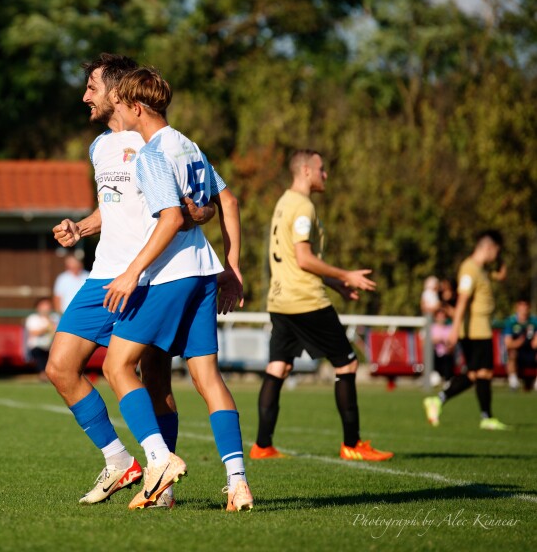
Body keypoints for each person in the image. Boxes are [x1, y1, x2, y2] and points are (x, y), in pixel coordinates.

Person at [46, 53, 216, 510]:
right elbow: (115, 204)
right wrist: (80, 228)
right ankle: (121, 460)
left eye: (93, 87)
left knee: (155, 379)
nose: (85, 95)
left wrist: (200, 213)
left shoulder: (154, 141)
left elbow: (197, 204)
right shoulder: (99, 146)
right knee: (60, 366)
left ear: (118, 92)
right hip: (105, 274)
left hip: (151, 275)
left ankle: (164, 488)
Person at [97, 65, 252, 510]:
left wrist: (131, 273)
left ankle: (159, 464)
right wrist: (232, 266)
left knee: (116, 367)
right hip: (204, 270)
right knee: (204, 379)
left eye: (121, 105)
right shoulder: (189, 144)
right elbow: (229, 200)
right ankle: (236, 483)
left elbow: (171, 219)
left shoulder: (150, 154)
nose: (117, 112)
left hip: (169, 276)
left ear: (137, 108)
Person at [252, 149, 393, 461]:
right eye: (322, 169)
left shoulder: (283, 202)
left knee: (279, 366)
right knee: (347, 364)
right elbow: (303, 258)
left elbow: (293, 260)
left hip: (280, 299)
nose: (325, 175)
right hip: (305, 301)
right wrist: (346, 275)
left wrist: (337, 284)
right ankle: (352, 444)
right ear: (305, 170)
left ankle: (262, 445)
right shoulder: (303, 207)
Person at [424, 230, 509, 430]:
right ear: (489, 248)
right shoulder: (470, 269)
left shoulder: (481, 270)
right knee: (483, 373)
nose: (496, 255)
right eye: (496, 251)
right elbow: (462, 299)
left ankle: (441, 401)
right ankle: (484, 416)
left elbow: (502, 275)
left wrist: (501, 260)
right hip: (475, 330)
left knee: (474, 374)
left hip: (480, 328)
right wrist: (454, 329)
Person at [503, 298, 537, 392]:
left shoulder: (534, 321)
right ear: (517, 308)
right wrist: (521, 341)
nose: (524, 309)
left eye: (526, 306)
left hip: (531, 353)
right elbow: (508, 343)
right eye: (521, 306)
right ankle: (513, 383)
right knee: (511, 353)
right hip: (518, 354)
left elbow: (535, 343)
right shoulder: (511, 322)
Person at [25, 297, 57, 380]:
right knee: (39, 352)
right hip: (37, 346)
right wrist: (47, 328)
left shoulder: (54, 317)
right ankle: (43, 375)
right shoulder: (32, 318)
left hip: (51, 346)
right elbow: (33, 332)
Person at [429, 307, 456, 387]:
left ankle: (447, 380)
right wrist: (436, 341)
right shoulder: (431, 328)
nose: (441, 318)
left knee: (448, 357)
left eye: (443, 316)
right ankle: (434, 376)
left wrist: (447, 344)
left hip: (447, 354)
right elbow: (424, 344)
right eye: (439, 316)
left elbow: (452, 344)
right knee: (432, 354)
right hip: (435, 354)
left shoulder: (450, 328)